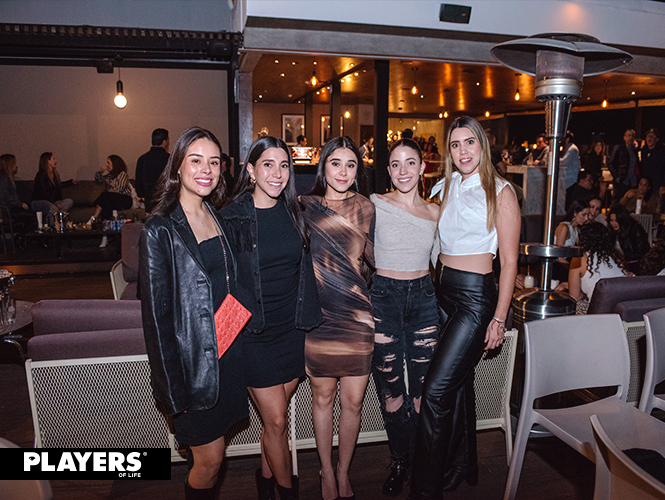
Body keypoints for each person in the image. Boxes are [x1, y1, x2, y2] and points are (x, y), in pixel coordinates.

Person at [410, 116, 520, 499]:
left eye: (469, 142)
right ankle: (462, 463)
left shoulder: (501, 192)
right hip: (442, 292)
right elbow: (433, 243)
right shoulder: (444, 186)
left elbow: (510, 262)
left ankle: (424, 490)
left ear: (482, 145)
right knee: (458, 385)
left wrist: (499, 318)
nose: (463, 151)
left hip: (475, 300)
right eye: (455, 144)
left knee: (435, 391)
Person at [139, 126, 248, 500]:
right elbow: (156, 323)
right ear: (178, 167)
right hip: (191, 370)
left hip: (226, 358)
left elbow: (227, 285)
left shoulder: (215, 214)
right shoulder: (159, 229)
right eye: (196, 160)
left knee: (213, 456)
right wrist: (174, 394)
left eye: (214, 162)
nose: (206, 170)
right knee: (210, 461)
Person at [221, 136, 322, 500]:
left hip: (292, 328)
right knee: (278, 420)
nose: (277, 174)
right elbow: (219, 280)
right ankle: (286, 491)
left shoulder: (295, 210)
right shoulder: (230, 218)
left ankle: (264, 481)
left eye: (283, 166)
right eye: (268, 165)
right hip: (253, 332)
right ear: (250, 170)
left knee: (272, 421)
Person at [300, 136, 375, 500]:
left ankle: (343, 471)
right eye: (336, 163)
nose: (343, 171)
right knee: (322, 397)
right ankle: (326, 471)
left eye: (350, 164)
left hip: (357, 317)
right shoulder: (305, 207)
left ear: (357, 171)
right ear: (323, 166)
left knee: (354, 402)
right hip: (319, 317)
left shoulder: (366, 208)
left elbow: (379, 258)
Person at [369, 138, 439, 497]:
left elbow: (445, 262)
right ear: (388, 170)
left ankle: (421, 464)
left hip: (424, 299)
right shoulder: (375, 204)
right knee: (392, 390)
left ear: (423, 167)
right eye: (395, 164)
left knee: (422, 392)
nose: (403, 171)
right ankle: (400, 460)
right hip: (384, 299)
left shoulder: (436, 213)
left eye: (410, 162)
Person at [561, 222, 627, 313]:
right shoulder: (616, 257)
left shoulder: (579, 258)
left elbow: (575, 296)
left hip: (602, 310)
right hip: (623, 308)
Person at [90, 154, 133, 247]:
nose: (107, 165)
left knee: (105, 196)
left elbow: (119, 189)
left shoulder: (123, 174)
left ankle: (93, 218)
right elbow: (99, 180)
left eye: (108, 163)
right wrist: (99, 172)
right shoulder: (110, 176)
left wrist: (109, 192)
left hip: (124, 199)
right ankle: (105, 235)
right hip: (112, 200)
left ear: (114, 163)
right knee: (106, 204)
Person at [30, 152, 74, 226]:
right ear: (48, 161)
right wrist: (54, 202)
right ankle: (53, 225)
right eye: (53, 159)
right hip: (39, 201)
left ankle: (60, 219)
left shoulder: (54, 175)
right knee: (52, 208)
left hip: (52, 202)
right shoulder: (41, 175)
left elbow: (59, 185)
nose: (55, 161)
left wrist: (71, 182)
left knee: (69, 201)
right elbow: (42, 192)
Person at [0, 154, 37, 240]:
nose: (16, 166)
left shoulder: (7, 177)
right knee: (33, 217)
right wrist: (19, 204)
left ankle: (23, 237)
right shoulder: (3, 178)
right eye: (14, 163)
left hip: (12, 207)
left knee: (35, 213)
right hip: (8, 210)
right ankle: (20, 237)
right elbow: (5, 196)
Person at [608, 203, 650, 275]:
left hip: (635, 266)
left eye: (616, 220)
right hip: (618, 265)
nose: (613, 223)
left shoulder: (635, 229)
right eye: (611, 220)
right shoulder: (611, 231)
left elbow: (643, 252)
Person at [135, 128, 170, 213]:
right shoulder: (169, 159)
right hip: (166, 198)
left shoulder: (143, 159)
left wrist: (141, 194)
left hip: (149, 198)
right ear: (164, 141)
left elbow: (138, 181)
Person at [608, 128, 638, 202]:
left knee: (630, 202)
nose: (630, 137)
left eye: (632, 136)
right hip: (622, 180)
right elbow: (611, 163)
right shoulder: (619, 148)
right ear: (624, 137)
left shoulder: (634, 150)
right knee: (617, 201)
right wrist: (617, 177)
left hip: (632, 181)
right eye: (628, 135)